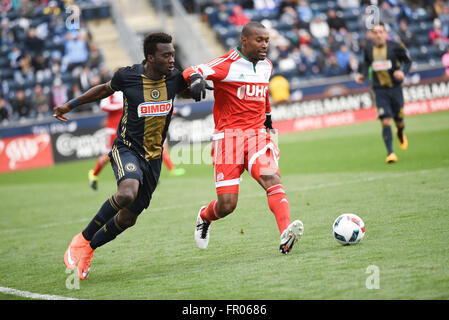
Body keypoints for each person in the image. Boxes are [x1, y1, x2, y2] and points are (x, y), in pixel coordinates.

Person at [54, 32, 191, 280]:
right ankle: (81, 239)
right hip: (126, 148)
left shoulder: (174, 78)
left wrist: (197, 86)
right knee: (127, 192)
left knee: (128, 218)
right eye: (166, 55)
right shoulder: (128, 76)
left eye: (173, 54)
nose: (172, 59)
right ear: (151, 57)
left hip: (154, 158)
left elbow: (189, 91)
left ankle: (89, 250)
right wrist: (70, 104)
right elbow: (103, 90)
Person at [182, 21, 303, 255]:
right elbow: (192, 70)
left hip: (257, 135)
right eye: (260, 40)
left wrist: (268, 120)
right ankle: (204, 216)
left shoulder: (266, 65)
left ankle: (285, 233)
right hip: (228, 140)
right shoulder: (227, 64)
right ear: (244, 40)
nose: (265, 45)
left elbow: (263, 93)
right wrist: (196, 80)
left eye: (267, 40)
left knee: (272, 179)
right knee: (227, 205)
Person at [355, 22, 412, 163]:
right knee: (385, 121)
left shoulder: (395, 47)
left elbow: (408, 61)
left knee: (399, 122)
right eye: (375, 32)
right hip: (379, 90)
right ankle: (390, 153)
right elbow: (366, 63)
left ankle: (399, 133)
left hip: (395, 89)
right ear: (372, 35)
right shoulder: (368, 49)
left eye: (381, 31)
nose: (378, 34)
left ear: (385, 33)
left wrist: (402, 72)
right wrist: (362, 74)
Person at [88, 89, 123, 190]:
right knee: (110, 154)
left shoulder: (127, 89)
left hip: (124, 128)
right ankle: (94, 174)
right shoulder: (112, 91)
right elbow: (103, 106)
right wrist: (120, 106)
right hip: (112, 129)